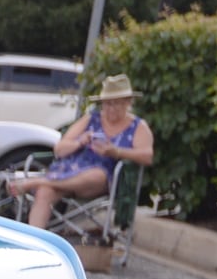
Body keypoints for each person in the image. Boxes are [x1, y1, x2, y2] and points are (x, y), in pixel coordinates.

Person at [27, 74, 154, 228]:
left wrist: (115, 152)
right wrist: (80, 142)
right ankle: (34, 243)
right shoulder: (91, 119)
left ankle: (36, 181)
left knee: (96, 174)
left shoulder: (138, 126)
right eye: (107, 104)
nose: (111, 109)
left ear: (128, 103)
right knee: (44, 192)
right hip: (68, 171)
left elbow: (147, 156)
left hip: (102, 179)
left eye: (117, 104)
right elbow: (59, 150)